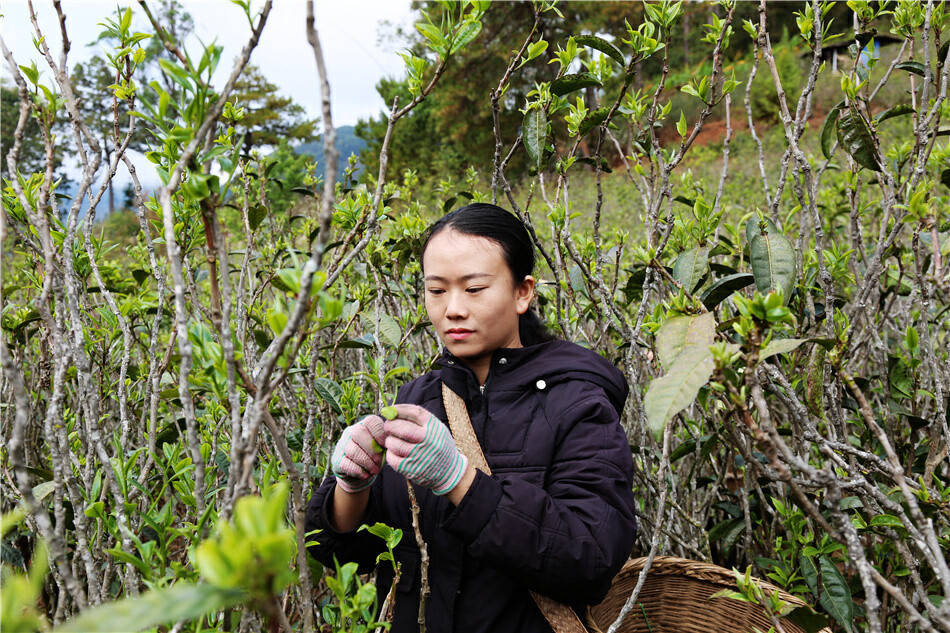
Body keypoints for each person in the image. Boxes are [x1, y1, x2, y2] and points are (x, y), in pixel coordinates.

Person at [305, 203, 637, 633]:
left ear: (523, 292)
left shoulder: (578, 404)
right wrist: (351, 486)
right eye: (437, 290)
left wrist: (460, 482)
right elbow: (349, 553)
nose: (453, 309)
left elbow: (590, 558)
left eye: (474, 288)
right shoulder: (418, 398)